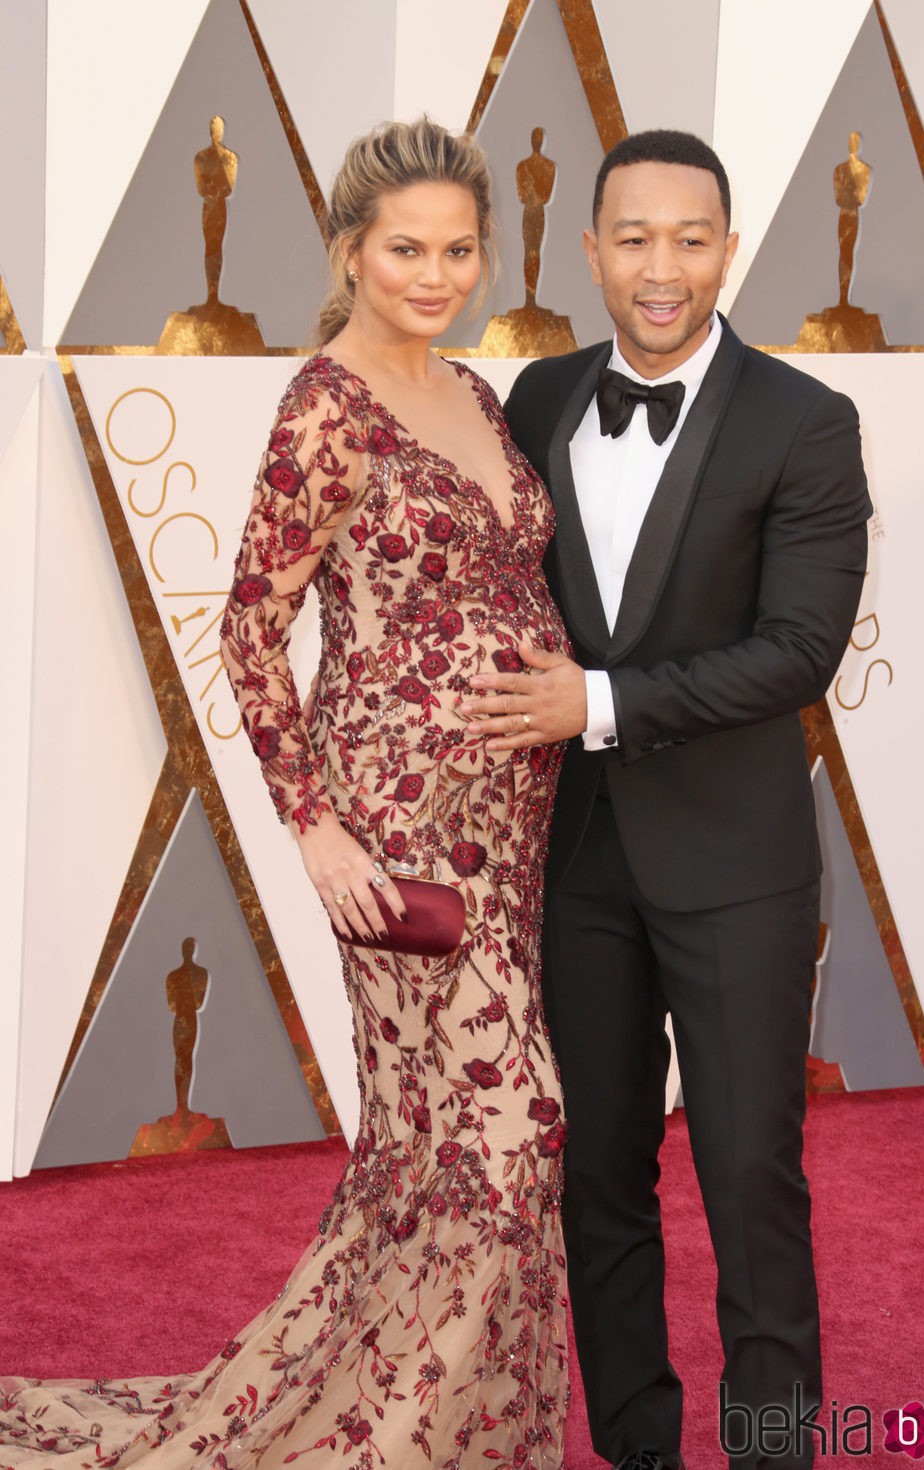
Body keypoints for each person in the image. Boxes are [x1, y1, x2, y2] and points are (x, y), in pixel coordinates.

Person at [0, 119, 569, 1469]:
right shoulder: (329, 402)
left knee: (435, 1145)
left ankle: (444, 1428)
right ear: (352, 252)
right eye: (404, 250)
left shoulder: (476, 391)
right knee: (512, 1123)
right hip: (399, 823)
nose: (433, 274)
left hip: (512, 826)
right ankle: (402, 1435)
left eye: (456, 249)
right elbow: (254, 625)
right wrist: (313, 824)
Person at [461, 130, 872, 1470]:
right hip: (578, 859)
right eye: (632, 237)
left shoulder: (806, 421)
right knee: (601, 1181)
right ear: (588, 250)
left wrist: (604, 703)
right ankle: (636, 1446)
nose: (661, 267)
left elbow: (798, 649)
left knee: (753, 1182)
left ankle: (770, 1453)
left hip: (740, 864)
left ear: (729, 249)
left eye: (690, 238)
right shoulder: (535, 398)